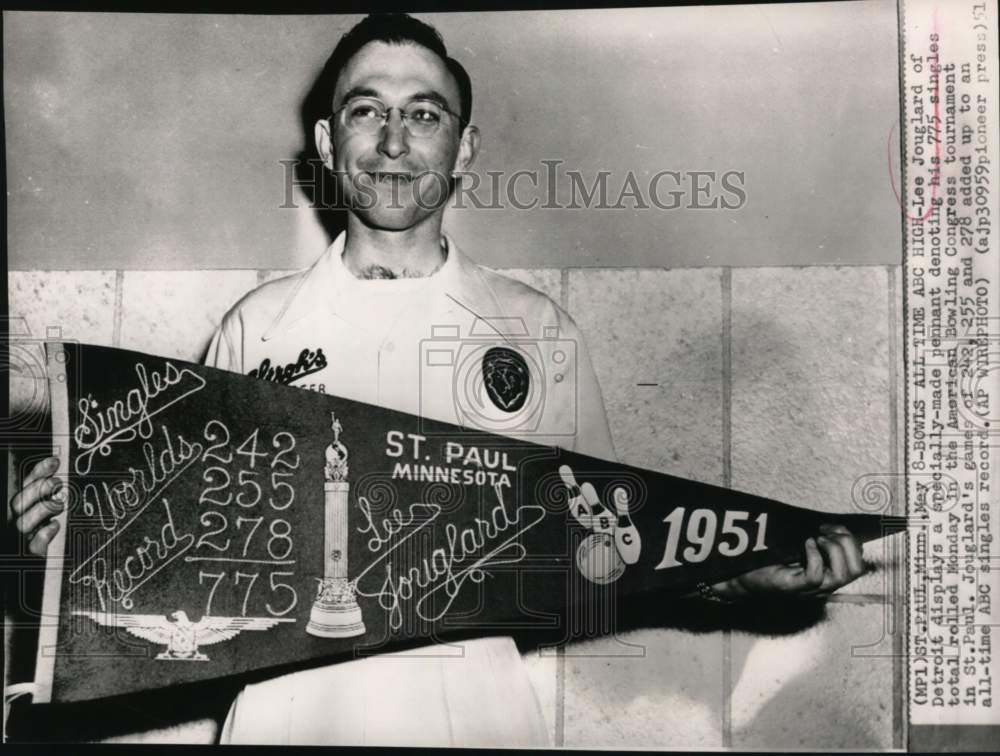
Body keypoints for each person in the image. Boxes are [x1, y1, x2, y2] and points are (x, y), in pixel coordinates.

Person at [10, 13, 867, 746]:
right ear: (325, 142)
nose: (393, 141)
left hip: (473, 715)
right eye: (366, 111)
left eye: (424, 114)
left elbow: (608, 550)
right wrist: (80, 541)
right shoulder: (255, 324)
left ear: (465, 145)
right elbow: (190, 557)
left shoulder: (534, 330)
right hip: (284, 717)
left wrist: (746, 577)